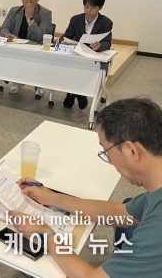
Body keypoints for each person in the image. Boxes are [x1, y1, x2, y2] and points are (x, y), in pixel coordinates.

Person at [12, 97, 162, 278]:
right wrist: (50, 197)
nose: (110, 162)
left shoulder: (157, 228)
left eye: (107, 152)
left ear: (131, 151)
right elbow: (120, 213)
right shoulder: (157, 189)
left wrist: (45, 233)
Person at [61, 0, 113, 110]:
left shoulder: (106, 22)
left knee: (85, 70)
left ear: (100, 8)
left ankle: (75, 93)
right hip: (77, 55)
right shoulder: (76, 19)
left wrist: (99, 46)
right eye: (86, 7)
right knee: (69, 67)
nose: (88, 10)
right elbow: (66, 36)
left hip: (93, 56)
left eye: (93, 8)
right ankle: (75, 93)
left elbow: (107, 42)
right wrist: (64, 41)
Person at [0, 0, 52, 94]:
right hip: (17, 45)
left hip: (36, 47)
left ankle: (39, 84)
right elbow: (4, 28)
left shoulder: (45, 13)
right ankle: (16, 80)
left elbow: (41, 37)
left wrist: (30, 18)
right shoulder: (14, 10)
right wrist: (6, 34)